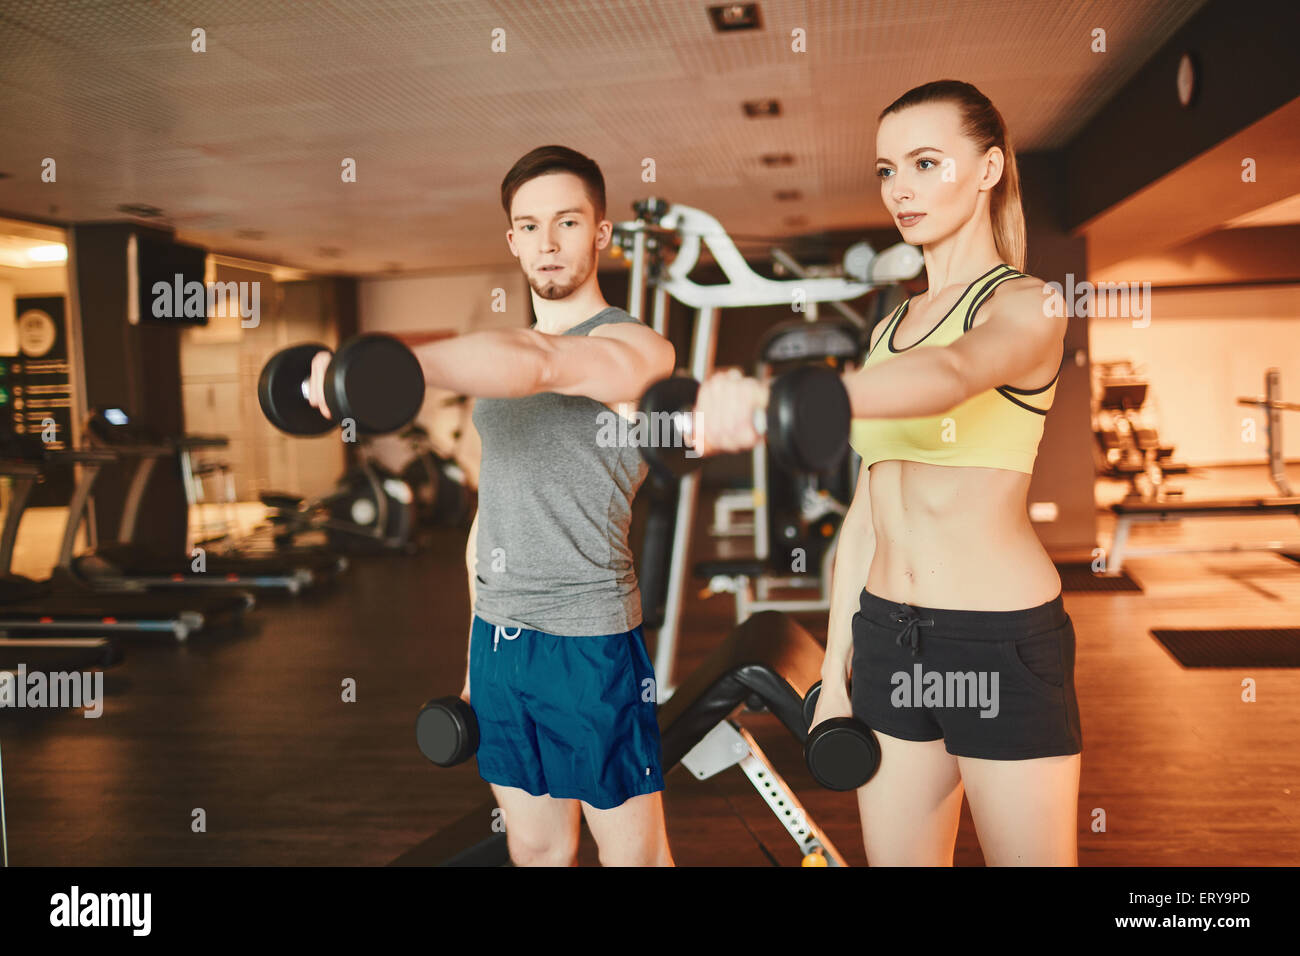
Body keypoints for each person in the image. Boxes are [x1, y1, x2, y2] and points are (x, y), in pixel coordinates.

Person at [691, 80, 1080, 866]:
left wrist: (780, 402)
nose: (900, 187)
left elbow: (953, 376)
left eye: (925, 162)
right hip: (886, 637)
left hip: (997, 644)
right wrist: (838, 669)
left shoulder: (1027, 304)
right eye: (885, 169)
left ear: (989, 168)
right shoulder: (893, 323)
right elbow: (868, 513)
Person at [308, 145, 676, 866]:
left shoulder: (636, 349)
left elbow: (545, 363)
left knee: (634, 858)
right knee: (536, 850)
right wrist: (477, 660)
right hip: (502, 640)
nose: (547, 242)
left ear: (600, 233)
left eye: (568, 222)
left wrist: (394, 369)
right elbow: (490, 519)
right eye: (529, 225)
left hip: (589, 641)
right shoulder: (494, 365)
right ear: (511, 238)